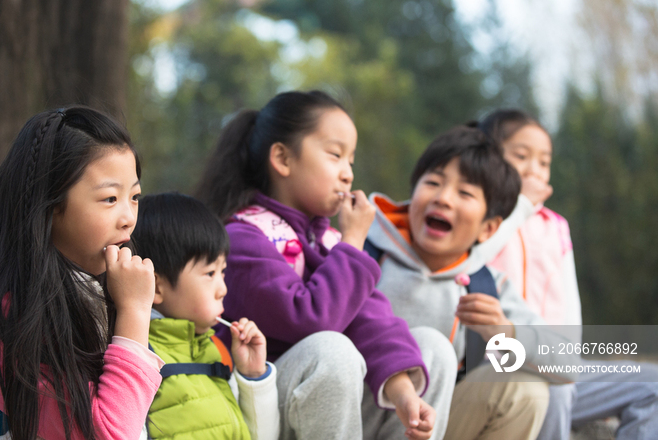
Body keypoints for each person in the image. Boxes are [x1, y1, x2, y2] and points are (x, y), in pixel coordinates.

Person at [196, 90, 457, 440]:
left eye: (351, 160)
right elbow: (310, 319)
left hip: (325, 410)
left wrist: (405, 394)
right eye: (335, 155)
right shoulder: (243, 237)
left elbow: (372, 320)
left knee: (432, 348)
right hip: (259, 411)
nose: (348, 174)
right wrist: (352, 244)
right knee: (330, 350)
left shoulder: (328, 240)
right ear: (283, 159)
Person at [0, 107, 162, 439]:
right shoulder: (6, 307)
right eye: (109, 198)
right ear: (51, 205)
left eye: (135, 197)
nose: (128, 217)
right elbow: (104, 433)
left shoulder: (95, 287)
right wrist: (135, 313)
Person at [367, 126, 580, 440]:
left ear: (489, 228)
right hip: (353, 423)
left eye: (465, 193)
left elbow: (567, 363)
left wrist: (507, 333)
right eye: (433, 182)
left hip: (433, 429)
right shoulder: (361, 253)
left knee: (526, 389)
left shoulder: (483, 285)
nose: (443, 198)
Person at [478, 109, 658, 440]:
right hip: (498, 365)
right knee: (554, 388)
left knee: (652, 383)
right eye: (521, 156)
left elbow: (569, 304)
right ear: (489, 159)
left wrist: (566, 360)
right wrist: (518, 207)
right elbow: (475, 260)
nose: (535, 169)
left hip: (558, 361)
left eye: (544, 162)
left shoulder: (555, 226)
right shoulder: (482, 218)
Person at [130, 192, 280, 440]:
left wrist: (253, 376)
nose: (223, 289)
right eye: (210, 273)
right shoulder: (139, 358)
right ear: (156, 287)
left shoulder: (218, 352)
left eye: (223, 271)